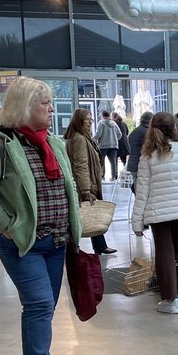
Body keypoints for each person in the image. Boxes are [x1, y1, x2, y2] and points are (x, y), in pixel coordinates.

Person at [0, 76, 81, 355]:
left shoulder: (53, 142)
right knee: (40, 304)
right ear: (22, 106)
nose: (50, 107)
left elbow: (67, 186)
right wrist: (5, 225)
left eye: (49, 101)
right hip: (23, 243)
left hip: (56, 242)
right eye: (43, 102)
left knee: (42, 309)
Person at [130, 112, 178, 314]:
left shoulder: (148, 156)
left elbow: (142, 192)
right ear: (175, 128)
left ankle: (169, 300)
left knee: (165, 254)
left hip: (159, 213)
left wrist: (137, 222)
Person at [63, 109, 116, 255]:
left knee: (91, 214)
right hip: (86, 183)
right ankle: (75, 249)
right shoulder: (79, 138)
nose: (90, 123)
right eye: (87, 120)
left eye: (91, 120)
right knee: (83, 215)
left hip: (88, 181)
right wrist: (86, 189)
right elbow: (81, 165)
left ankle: (99, 245)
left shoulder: (82, 137)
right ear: (79, 121)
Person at [93, 110, 122, 180]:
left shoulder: (101, 123)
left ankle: (102, 176)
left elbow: (98, 134)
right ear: (109, 115)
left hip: (103, 145)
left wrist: (92, 138)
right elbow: (120, 134)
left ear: (102, 115)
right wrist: (115, 139)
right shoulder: (114, 123)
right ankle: (113, 176)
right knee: (113, 161)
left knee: (102, 161)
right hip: (114, 145)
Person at [125, 111, 153, 179]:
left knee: (136, 187)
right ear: (150, 121)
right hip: (140, 165)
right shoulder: (146, 133)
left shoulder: (134, 132)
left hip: (132, 164)